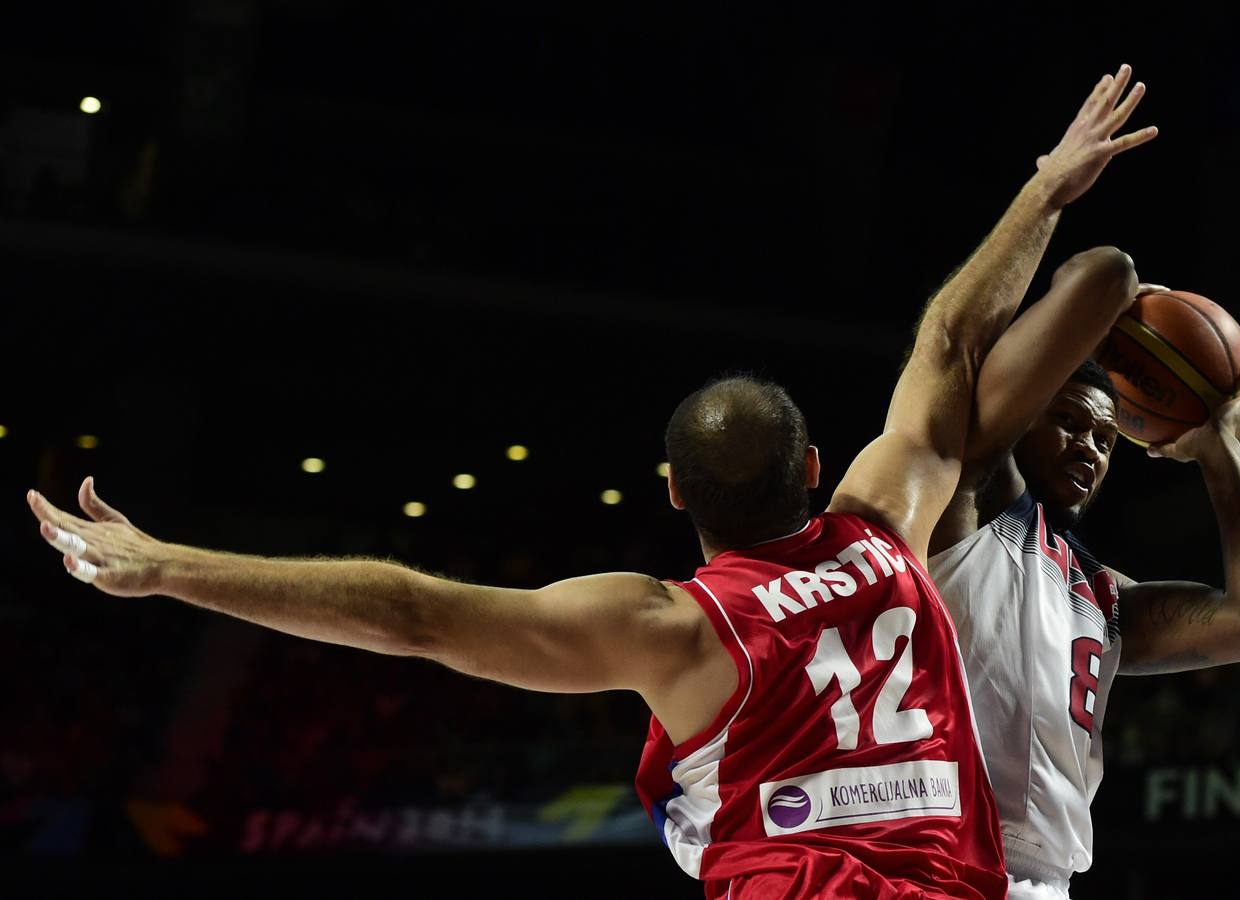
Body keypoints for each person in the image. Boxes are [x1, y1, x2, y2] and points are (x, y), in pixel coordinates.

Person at [27, 66, 1156, 898]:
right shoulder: (882, 526)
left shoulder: (675, 628)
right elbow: (949, 341)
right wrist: (1045, 189)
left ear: (675, 495)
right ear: (815, 469)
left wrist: (171, 567)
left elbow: (410, 614)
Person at [927, 240, 1240, 897]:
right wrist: (1094, 313)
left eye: (1105, 439)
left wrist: (1217, 447)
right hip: (947, 859)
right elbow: (1080, 288)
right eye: (1068, 422)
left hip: (1045, 879)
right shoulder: (972, 509)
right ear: (1020, 422)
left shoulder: (1102, 597)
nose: (1090, 448)